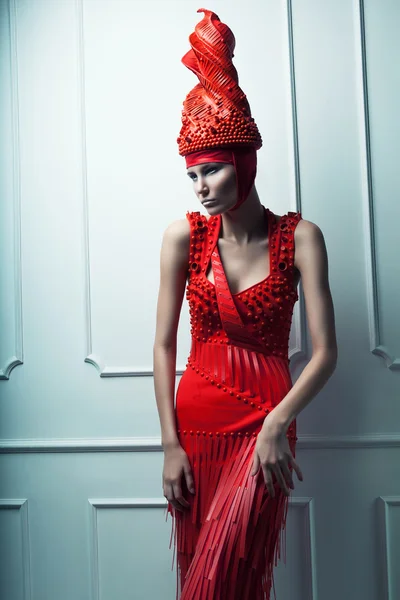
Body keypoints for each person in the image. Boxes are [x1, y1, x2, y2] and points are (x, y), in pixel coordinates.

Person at [153, 8, 337, 600]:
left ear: (245, 164)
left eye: (212, 170)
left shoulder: (300, 237)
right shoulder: (184, 236)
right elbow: (161, 346)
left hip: (266, 422)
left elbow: (327, 354)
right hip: (197, 427)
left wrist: (279, 422)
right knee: (201, 577)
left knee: (238, 574)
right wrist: (169, 446)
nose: (201, 185)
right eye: (193, 175)